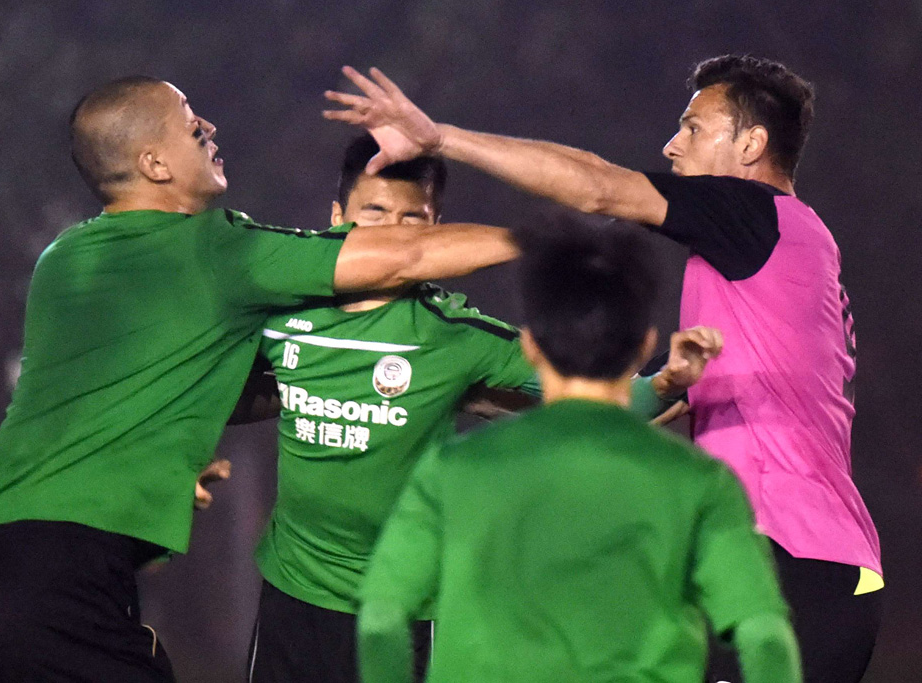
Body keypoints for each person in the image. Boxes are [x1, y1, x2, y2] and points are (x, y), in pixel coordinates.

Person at [0, 76, 525, 682]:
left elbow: (108, 390)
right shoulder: (216, 250)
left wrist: (160, 460)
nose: (208, 130)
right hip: (58, 582)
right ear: (155, 164)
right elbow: (406, 256)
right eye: (192, 126)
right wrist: (549, 235)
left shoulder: (62, 259)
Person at [325, 56, 882, 681]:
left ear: (751, 144)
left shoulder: (756, 215)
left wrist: (440, 138)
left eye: (694, 128)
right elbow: (640, 402)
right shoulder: (774, 255)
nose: (672, 145)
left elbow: (597, 188)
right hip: (818, 565)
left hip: (792, 563)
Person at [237, 134, 722, 683]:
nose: (395, 233)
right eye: (374, 213)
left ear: (440, 228)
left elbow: (590, 400)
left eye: (413, 219)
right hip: (292, 594)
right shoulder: (283, 312)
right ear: (336, 217)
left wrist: (665, 383)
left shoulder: (456, 335)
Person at [356, 216, 800, 683]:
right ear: (645, 345)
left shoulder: (453, 469)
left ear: (531, 345)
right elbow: (765, 637)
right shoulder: (701, 481)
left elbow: (381, 622)